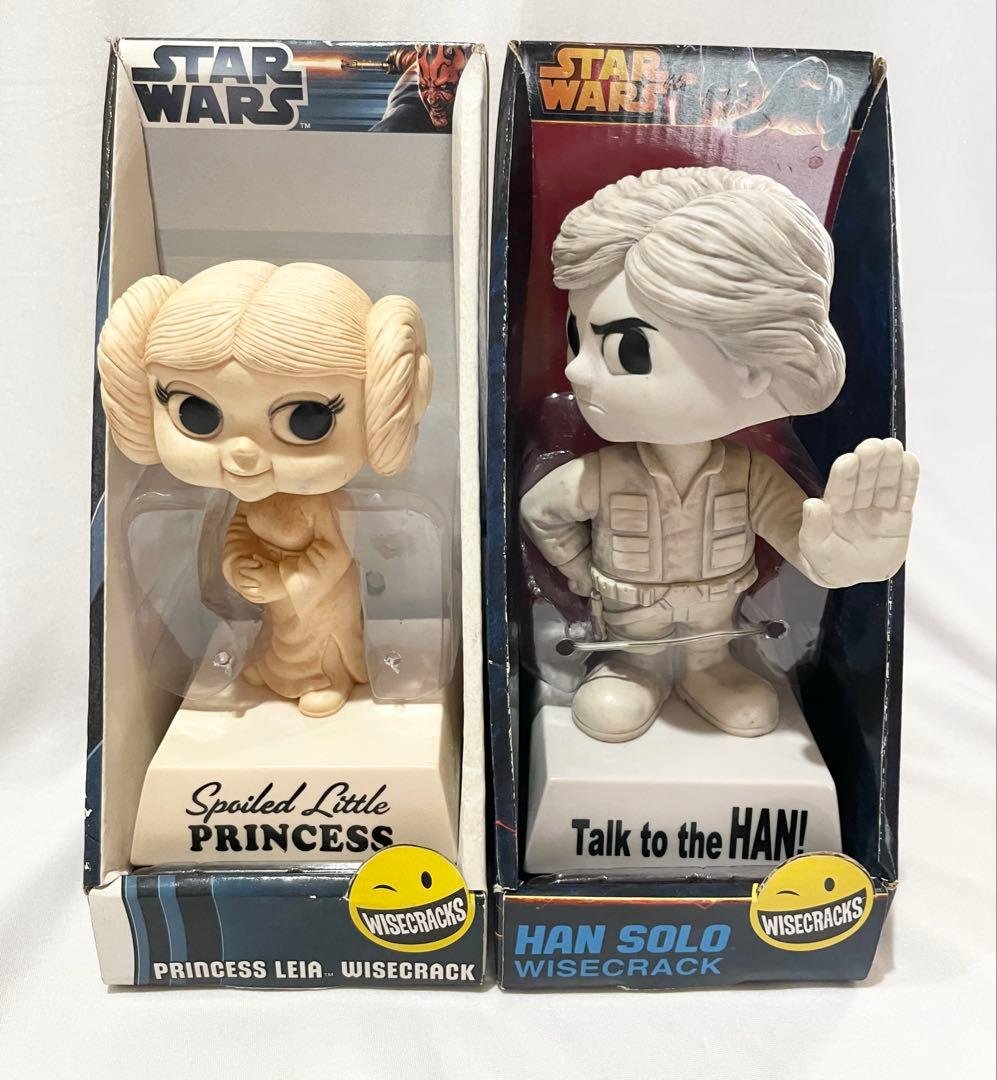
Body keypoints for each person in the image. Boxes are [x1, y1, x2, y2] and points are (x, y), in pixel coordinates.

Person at [520, 167, 918, 743]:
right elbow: (541, 511)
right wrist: (581, 574)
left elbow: (799, 534)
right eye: (576, 338)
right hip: (629, 629)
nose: (577, 371)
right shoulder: (602, 476)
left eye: (627, 348)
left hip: (717, 629)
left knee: (733, 684)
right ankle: (634, 669)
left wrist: (844, 559)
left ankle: (707, 672)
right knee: (618, 691)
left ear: (752, 366)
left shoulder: (751, 476)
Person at [98, 261, 431, 716]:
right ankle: (277, 671)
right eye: (196, 412)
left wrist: (279, 580)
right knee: (277, 638)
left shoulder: (326, 504)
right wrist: (238, 565)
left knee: (316, 638)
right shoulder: (249, 498)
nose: (242, 453)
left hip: (320, 597)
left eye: (307, 419)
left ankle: (326, 676)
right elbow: (239, 530)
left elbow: (332, 556)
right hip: (278, 598)